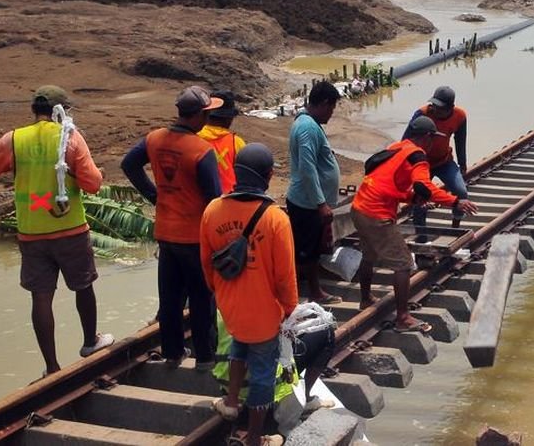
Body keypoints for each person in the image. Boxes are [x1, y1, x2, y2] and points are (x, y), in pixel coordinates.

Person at [0, 85, 115, 375]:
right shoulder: (70, 138)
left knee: (41, 297)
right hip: (70, 228)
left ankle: (51, 367)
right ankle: (90, 342)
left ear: (34, 111)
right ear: (61, 111)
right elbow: (93, 184)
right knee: (83, 285)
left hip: (32, 232)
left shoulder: (15, 139)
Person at [201, 144, 299, 446]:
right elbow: (285, 275)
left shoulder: (213, 210)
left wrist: (220, 293)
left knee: (238, 347)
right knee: (263, 373)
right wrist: (290, 308)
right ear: (268, 176)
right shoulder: (275, 219)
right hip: (264, 312)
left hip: (231, 307)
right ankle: (256, 439)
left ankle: (231, 402)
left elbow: (206, 264)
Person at [122, 86, 223, 369]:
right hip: (194, 237)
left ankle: (173, 353)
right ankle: (205, 357)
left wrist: (154, 195)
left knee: (170, 297)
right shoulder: (202, 151)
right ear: (200, 115)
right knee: (202, 299)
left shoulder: (154, 139)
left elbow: (129, 165)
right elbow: (214, 199)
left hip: (166, 233)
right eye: (207, 113)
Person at [351, 116, 479, 333]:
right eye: (432, 138)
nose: (433, 144)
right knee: (403, 264)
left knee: (369, 255)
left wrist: (410, 197)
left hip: (360, 207)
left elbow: (387, 183)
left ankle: (365, 299)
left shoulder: (397, 147)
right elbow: (425, 185)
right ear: (427, 138)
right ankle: (403, 318)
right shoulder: (418, 156)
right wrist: (456, 201)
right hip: (377, 214)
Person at [286, 80, 342, 305]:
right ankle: (314, 292)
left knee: (308, 248)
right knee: (308, 251)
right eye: (332, 108)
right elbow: (307, 168)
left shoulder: (307, 123)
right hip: (307, 202)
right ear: (325, 103)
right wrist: (321, 203)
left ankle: (302, 289)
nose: (331, 114)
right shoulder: (308, 127)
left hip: (308, 200)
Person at [404, 86, 469, 233]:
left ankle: (455, 228)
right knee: (420, 198)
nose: (435, 109)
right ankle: (421, 235)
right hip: (422, 163)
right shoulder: (422, 113)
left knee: (461, 192)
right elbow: (406, 140)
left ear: (450, 108)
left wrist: (462, 164)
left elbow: (460, 141)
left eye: (440, 107)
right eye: (434, 105)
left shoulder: (460, 116)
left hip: (444, 162)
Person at [198, 90, 246, 193]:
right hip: (227, 201)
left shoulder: (192, 138)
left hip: (197, 200)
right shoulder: (236, 143)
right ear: (229, 119)